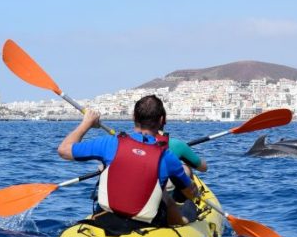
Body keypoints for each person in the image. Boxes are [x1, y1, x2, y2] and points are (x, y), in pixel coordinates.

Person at [57, 95, 197, 228]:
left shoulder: (110, 143)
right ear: (161, 121)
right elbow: (190, 193)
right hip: (146, 224)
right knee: (168, 197)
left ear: (134, 117)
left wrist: (86, 123)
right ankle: (182, 221)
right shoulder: (168, 157)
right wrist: (193, 190)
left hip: (106, 217)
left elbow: (64, 150)